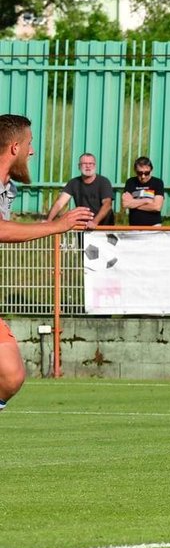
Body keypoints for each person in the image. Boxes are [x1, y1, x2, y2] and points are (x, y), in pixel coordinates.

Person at [0, 114, 95, 410]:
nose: (32, 151)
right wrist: (57, 225)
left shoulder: (8, 188)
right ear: (15, 147)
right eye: (29, 143)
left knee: (11, 375)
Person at [47, 153, 114, 229]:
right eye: (84, 163)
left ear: (95, 166)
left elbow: (107, 204)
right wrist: (48, 221)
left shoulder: (104, 182)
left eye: (91, 163)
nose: (88, 166)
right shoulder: (73, 183)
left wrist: (95, 222)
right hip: (82, 226)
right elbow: (60, 203)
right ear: (79, 166)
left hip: (104, 227)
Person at [122, 156, 165, 226]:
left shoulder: (158, 182)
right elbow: (125, 204)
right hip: (134, 226)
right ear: (135, 170)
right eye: (139, 173)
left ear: (151, 170)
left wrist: (133, 204)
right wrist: (146, 200)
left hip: (153, 225)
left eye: (147, 173)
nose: (143, 176)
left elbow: (157, 207)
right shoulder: (130, 182)